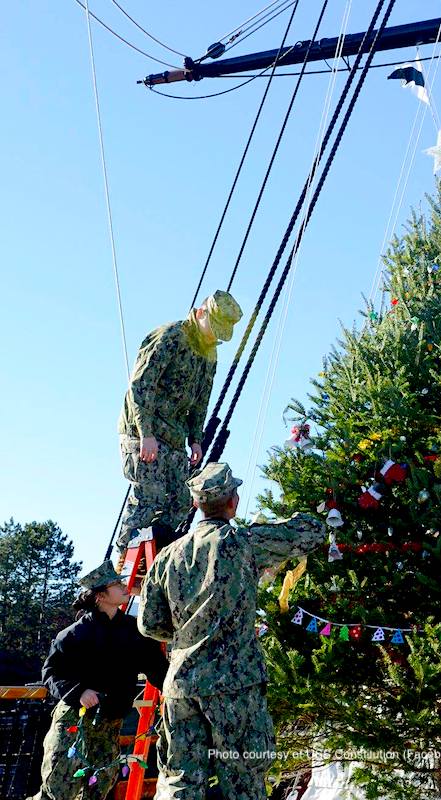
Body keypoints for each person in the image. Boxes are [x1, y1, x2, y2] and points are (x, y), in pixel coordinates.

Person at [137, 462, 325, 800]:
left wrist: (189, 636)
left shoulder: (167, 557)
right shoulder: (244, 542)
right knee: (242, 781)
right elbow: (311, 532)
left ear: (196, 504)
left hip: (180, 685)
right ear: (233, 502)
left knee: (180, 782)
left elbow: (150, 624)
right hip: (234, 685)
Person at [29, 561, 168, 800]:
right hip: (74, 722)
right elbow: (51, 673)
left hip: (110, 723)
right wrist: (79, 692)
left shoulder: (135, 631)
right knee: (58, 790)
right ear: (101, 596)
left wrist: (174, 690)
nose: (124, 586)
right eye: (116, 584)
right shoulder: (74, 634)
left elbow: (157, 668)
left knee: (100, 788)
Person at [117, 290, 243, 549]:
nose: (215, 337)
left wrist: (196, 440)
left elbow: (201, 401)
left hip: (174, 437)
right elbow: (141, 386)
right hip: (144, 432)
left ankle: (156, 556)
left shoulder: (209, 355)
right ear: (200, 313)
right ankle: (123, 563)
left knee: (182, 500)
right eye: (214, 328)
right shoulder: (170, 337)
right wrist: (146, 434)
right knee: (148, 497)